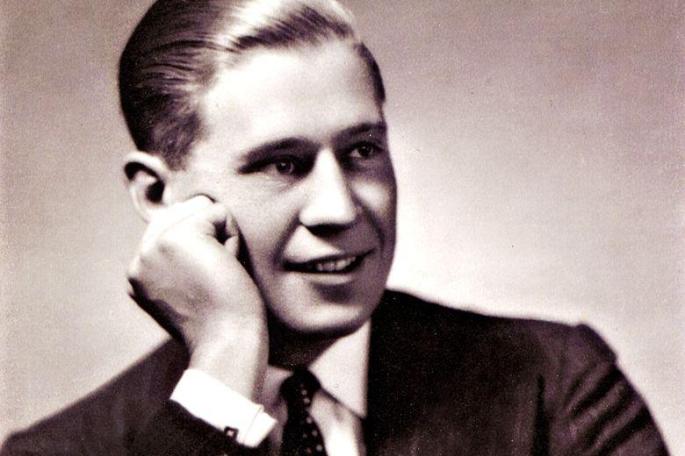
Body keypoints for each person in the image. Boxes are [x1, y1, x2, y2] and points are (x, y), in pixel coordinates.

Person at [1, 0, 669, 454]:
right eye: (283, 164)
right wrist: (226, 360)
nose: (341, 208)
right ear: (157, 193)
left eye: (361, 150)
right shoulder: (60, 450)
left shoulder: (553, 386)